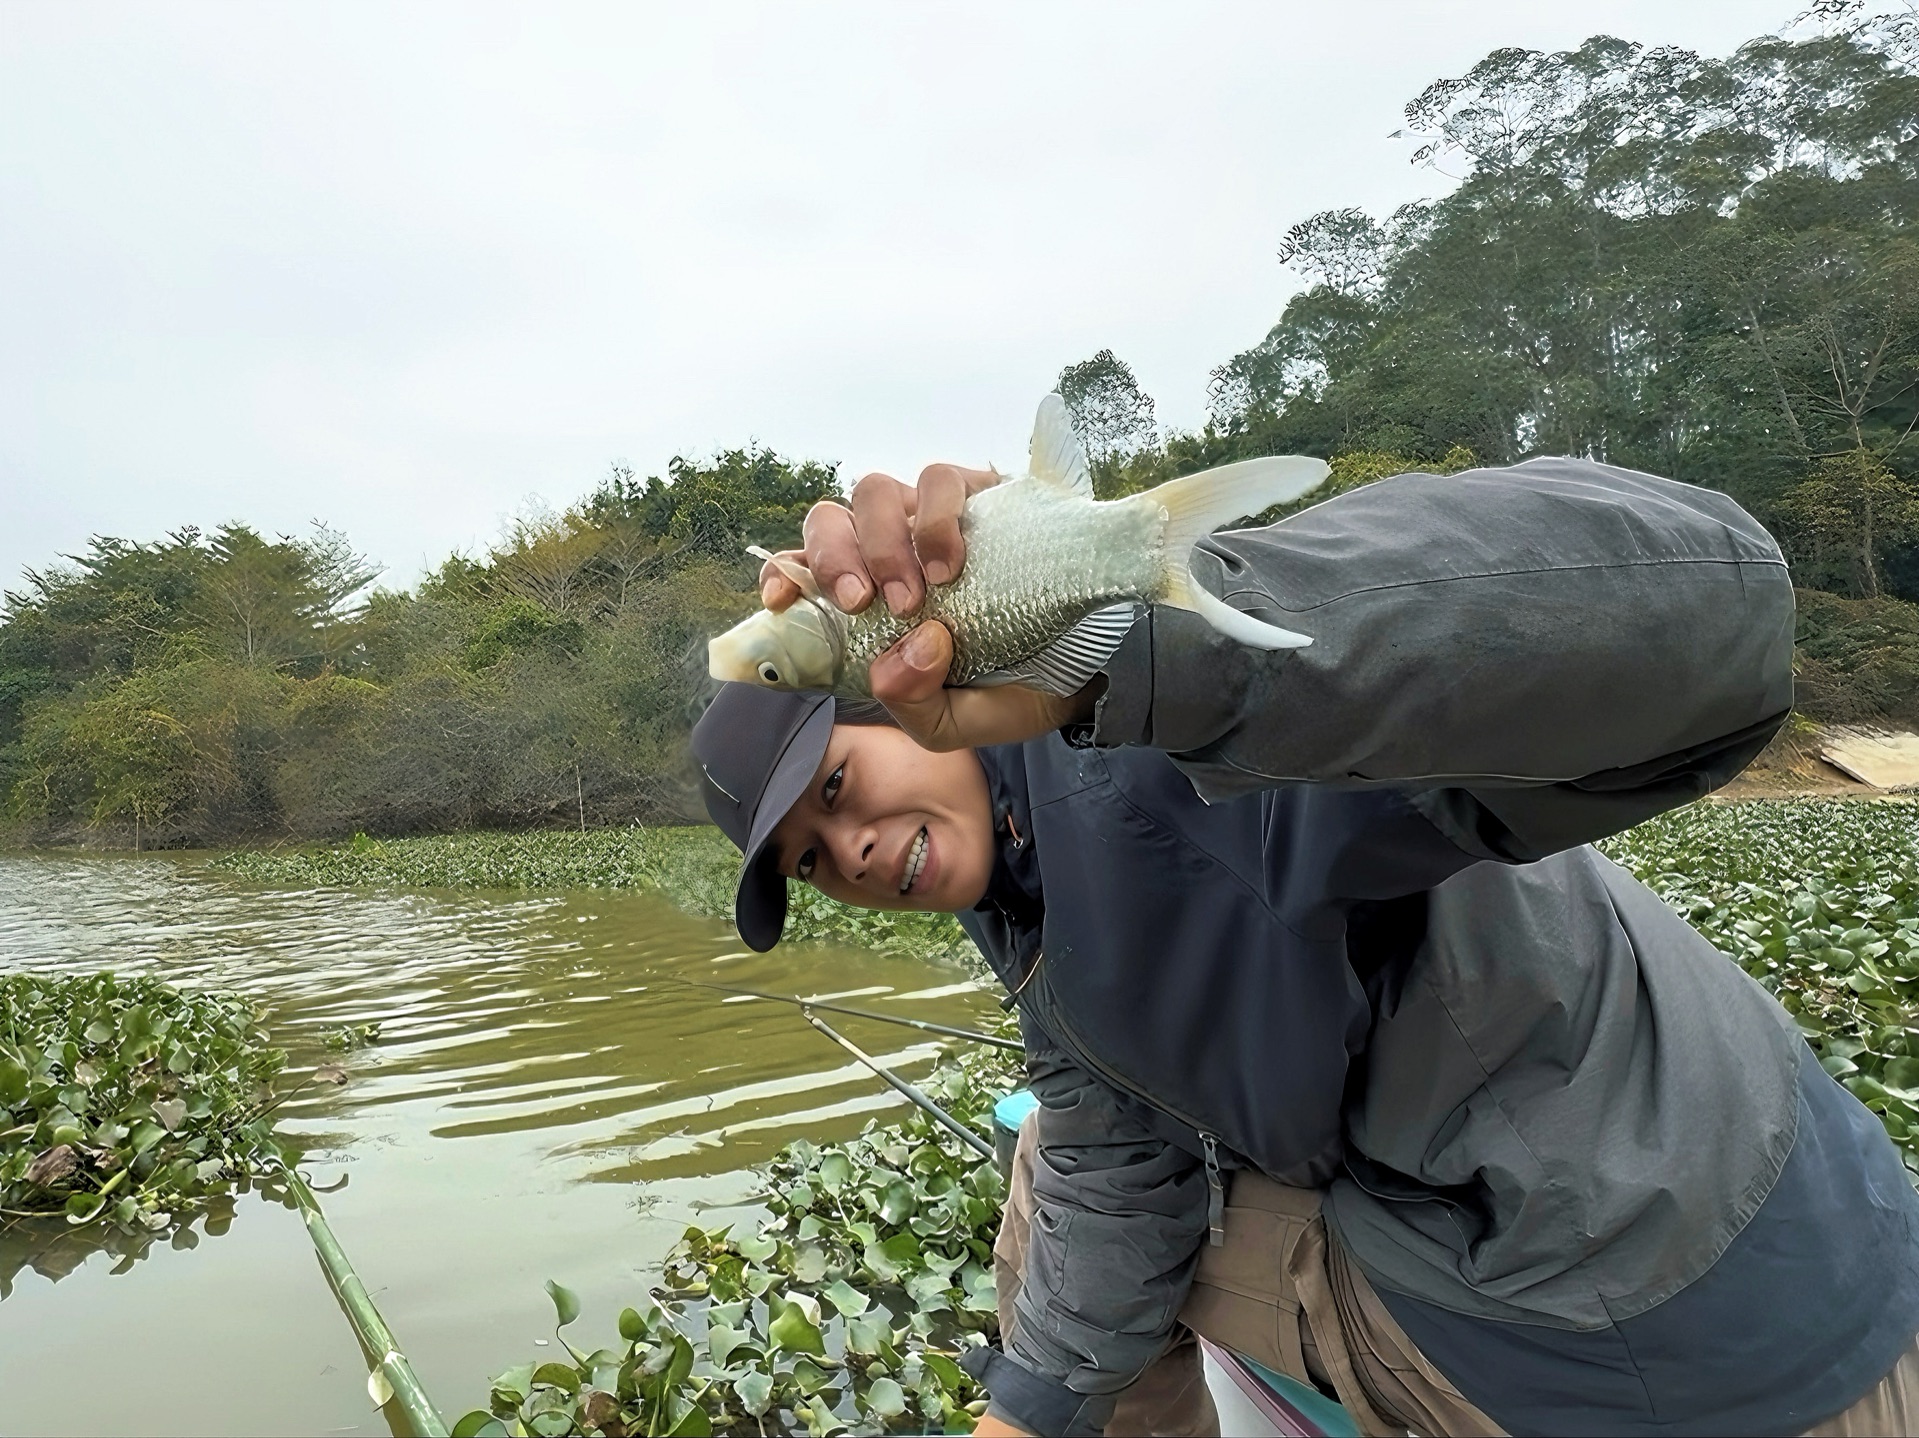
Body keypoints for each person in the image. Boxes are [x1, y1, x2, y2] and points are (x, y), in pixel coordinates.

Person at [689, 448, 1919, 1437]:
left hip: (1665, 1331)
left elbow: (1721, 613)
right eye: (808, 860)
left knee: (1038, 1197)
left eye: (836, 785)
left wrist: (1150, 648)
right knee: (1068, 1163)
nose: (843, 851)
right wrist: (1030, 1409)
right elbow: (1118, 1151)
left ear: (899, 688)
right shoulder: (1015, 901)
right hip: (1800, 1237)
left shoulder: (1155, 752)